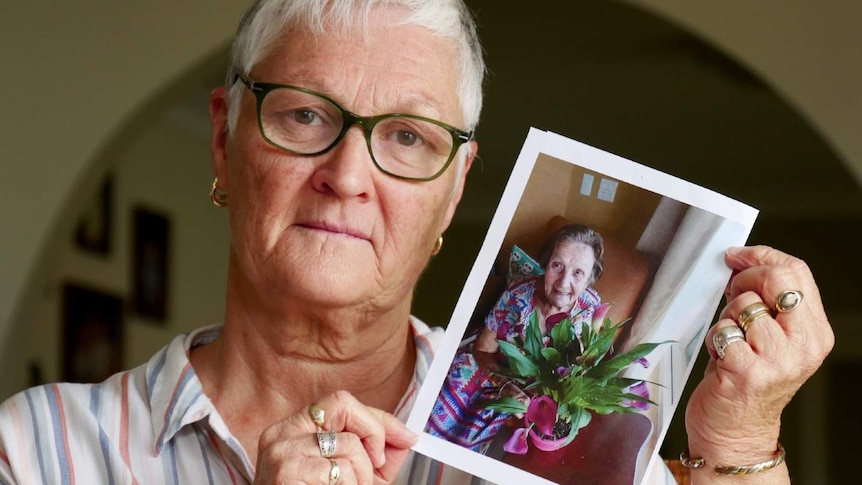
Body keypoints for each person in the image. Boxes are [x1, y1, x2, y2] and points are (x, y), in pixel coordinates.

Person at [0, 0, 834, 484]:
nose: (348, 174)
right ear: (225, 142)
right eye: (304, 115)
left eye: (405, 138)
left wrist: (737, 450)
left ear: (456, 189)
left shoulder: (571, 461)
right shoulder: (39, 449)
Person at [426, 224, 605, 453]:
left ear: (590, 278)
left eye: (578, 272)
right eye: (557, 265)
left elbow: (582, 368)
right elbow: (483, 349)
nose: (562, 282)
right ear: (545, 262)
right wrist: (505, 385)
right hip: (495, 371)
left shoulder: (589, 312)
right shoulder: (518, 295)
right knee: (440, 406)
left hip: (539, 394)